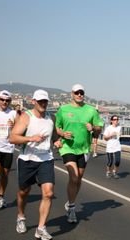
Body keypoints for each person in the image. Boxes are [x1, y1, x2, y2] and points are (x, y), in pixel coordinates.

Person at [9, 90, 59, 240]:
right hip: (27, 159)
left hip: (46, 159)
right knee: (24, 192)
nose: (44, 104)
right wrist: (31, 138)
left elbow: (55, 137)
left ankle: (41, 228)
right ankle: (21, 216)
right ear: (34, 101)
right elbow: (12, 138)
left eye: (46, 101)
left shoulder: (51, 118)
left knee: (48, 192)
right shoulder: (26, 117)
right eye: (41, 101)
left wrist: (57, 142)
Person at [55, 84, 103, 223]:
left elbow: (99, 129)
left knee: (79, 178)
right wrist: (63, 133)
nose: (79, 95)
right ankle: (71, 208)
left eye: (81, 93)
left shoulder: (91, 110)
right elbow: (57, 128)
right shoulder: (63, 109)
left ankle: (71, 201)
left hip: (83, 149)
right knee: (74, 177)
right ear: (72, 94)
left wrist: (93, 128)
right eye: (77, 93)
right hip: (67, 147)